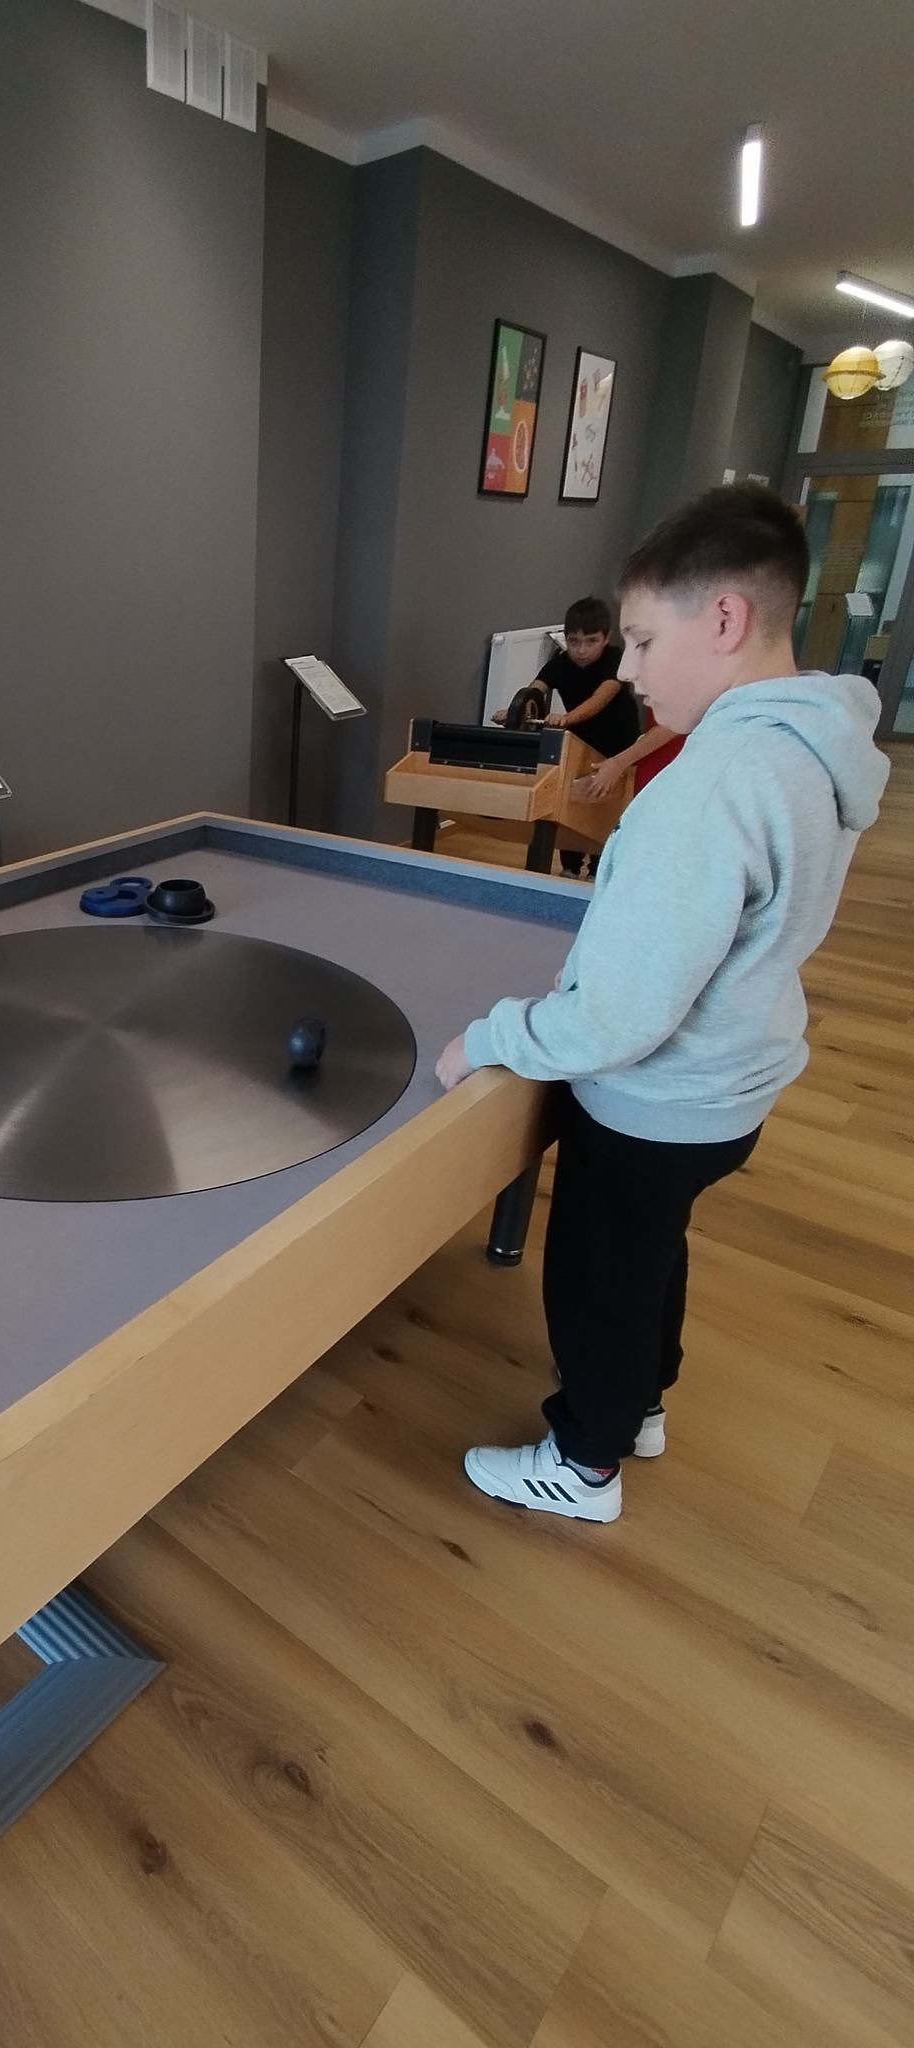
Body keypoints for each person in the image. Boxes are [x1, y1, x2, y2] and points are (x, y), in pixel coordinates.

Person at [434, 483, 887, 1523]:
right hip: (730, 1083)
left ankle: (583, 1463)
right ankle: (636, 1405)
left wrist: (491, 1037)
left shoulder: (712, 782)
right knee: (647, 1254)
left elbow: (621, 1018)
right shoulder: (809, 747)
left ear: (724, 617)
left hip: (655, 1099)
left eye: (641, 641)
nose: (629, 672)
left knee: (597, 1277)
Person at [495, 596, 643, 875]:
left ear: (607, 638)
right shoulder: (559, 664)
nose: (582, 649)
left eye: (591, 641)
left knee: (605, 806)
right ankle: (570, 867)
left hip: (617, 745)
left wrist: (565, 718)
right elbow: (533, 692)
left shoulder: (615, 660)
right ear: (566, 638)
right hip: (579, 741)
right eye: (574, 641)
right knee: (572, 801)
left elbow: (599, 699)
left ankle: (598, 869)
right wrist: (513, 712)